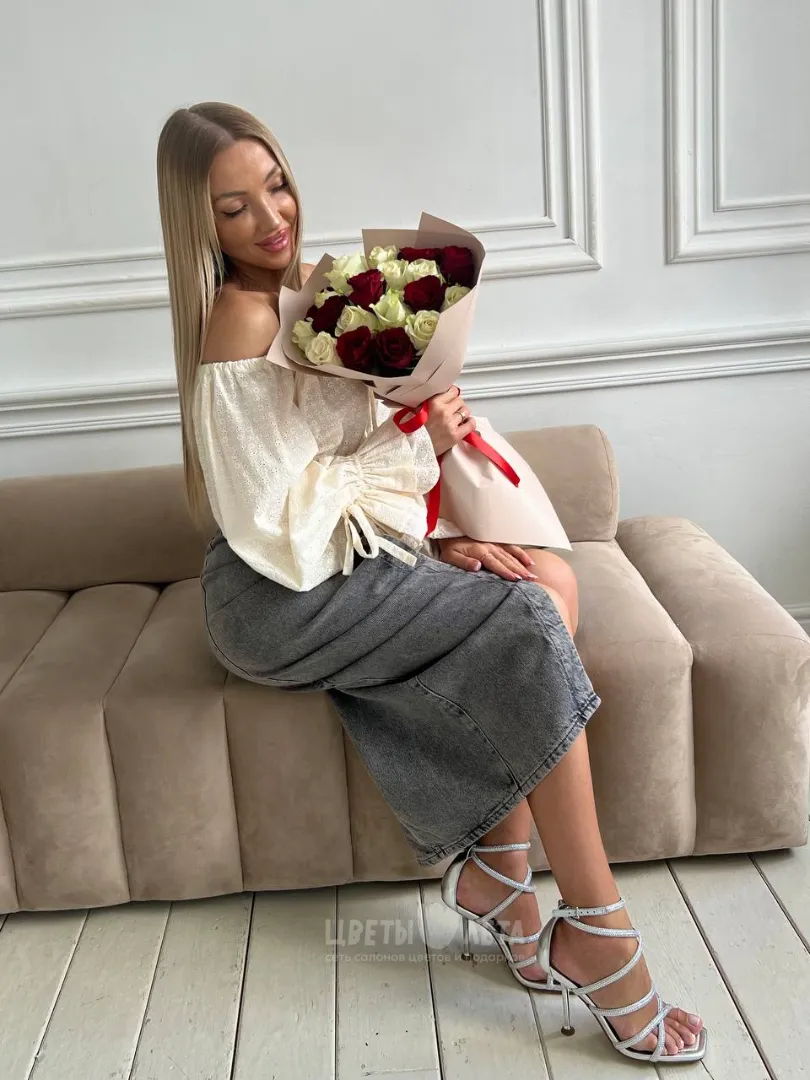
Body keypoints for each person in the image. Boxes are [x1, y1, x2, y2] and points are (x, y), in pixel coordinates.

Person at [156, 101, 706, 1064]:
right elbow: (274, 518)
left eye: (276, 186)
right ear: (200, 225)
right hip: (275, 596)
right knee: (527, 620)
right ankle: (599, 930)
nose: (270, 217)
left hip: (337, 558)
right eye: (234, 207)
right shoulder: (240, 319)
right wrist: (416, 438)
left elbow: (344, 464)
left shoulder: (314, 300)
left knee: (546, 584)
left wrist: (425, 494)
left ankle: (502, 874)